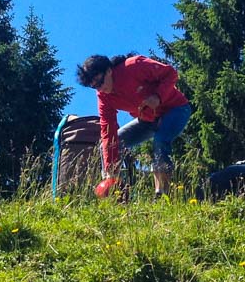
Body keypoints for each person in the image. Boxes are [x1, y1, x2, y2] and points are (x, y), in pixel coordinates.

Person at [76, 53, 192, 199]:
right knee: (110, 145)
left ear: (109, 70)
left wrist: (158, 96)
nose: (100, 89)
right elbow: (108, 130)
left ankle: (162, 195)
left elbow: (170, 73)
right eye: (94, 87)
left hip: (176, 109)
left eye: (100, 82)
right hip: (147, 120)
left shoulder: (134, 66)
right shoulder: (103, 96)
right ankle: (116, 194)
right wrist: (110, 168)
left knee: (160, 140)